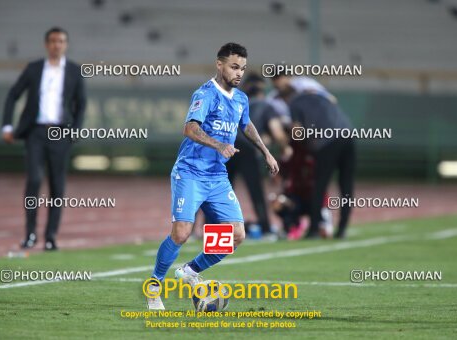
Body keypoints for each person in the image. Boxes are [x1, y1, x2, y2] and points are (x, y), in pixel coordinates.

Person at [146, 43, 279, 310]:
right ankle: (153, 288)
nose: (239, 73)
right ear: (219, 65)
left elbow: (247, 124)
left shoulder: (240, 98)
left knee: (236, 234)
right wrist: (219, 145)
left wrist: (266, 151)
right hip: (190, 172)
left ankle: (190, 271)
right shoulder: (205, 94)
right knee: (181, 234)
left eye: (242, 68)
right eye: (234, 67)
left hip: (217, 177)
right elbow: (190, 128)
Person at [1, 27, 86, 251]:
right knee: (34, 180)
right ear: (46, 44)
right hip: (35, 132)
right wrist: (8, 126)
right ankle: (30, 234)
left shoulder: (75, 71)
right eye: (52, 41)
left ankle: (50, 237)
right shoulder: (34, 68)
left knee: (57, 186)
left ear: (65, 44)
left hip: (61, 133)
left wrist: (75, 130)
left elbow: (81, 103)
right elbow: (13, 94)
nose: (56, 45)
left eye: (61, 41)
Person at [286, 77, 356, 239]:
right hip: (349, 135)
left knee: (319, 185)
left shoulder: (294, 103)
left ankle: (314, 229)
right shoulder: (323, 96)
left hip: (326, 141)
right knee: (346, 184)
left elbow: (297, 131)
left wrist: (301, 144)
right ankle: (343, 229)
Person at [226, 73, 287, 239]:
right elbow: (277, 132)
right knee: (256, 191)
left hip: (226, 147)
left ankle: (209, 230)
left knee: (220, 191)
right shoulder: (267, 106)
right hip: (247, 149)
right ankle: (266, 229)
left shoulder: (235, 103)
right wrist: (284, 149)